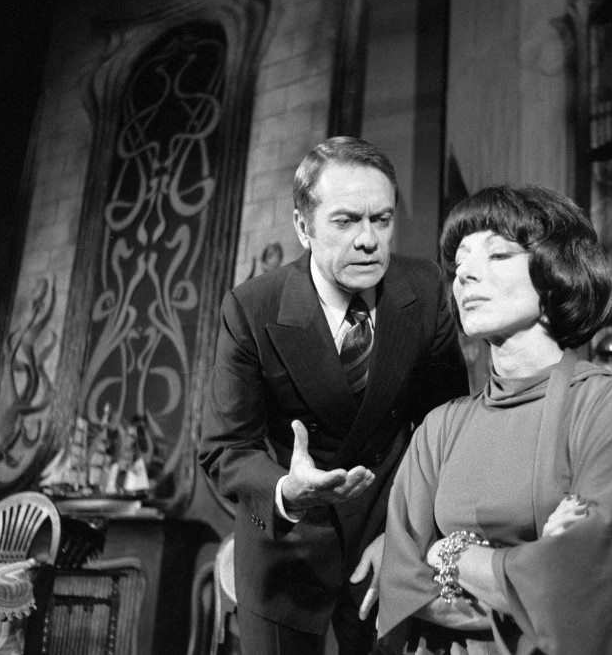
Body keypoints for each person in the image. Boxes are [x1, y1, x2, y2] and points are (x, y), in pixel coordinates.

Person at [376, 185, 612, 654]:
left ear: (555, 272)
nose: (465, 273)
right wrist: (522, 578)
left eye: (498, 255)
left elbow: (573, 583)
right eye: (460, 262)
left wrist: (448, 552)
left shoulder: (611, 408)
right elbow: (401, 584)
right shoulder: (439, 428)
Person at [199, 137, 469, 654]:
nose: (369, 240)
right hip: (286, 554)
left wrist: (406, 535)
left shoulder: (426, 287)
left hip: (389, 543)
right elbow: (224, 449)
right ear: (303, 227)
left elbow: (447, 430)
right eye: (346, 222)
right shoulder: (252, 309)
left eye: (382, 220)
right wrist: (287, 489)